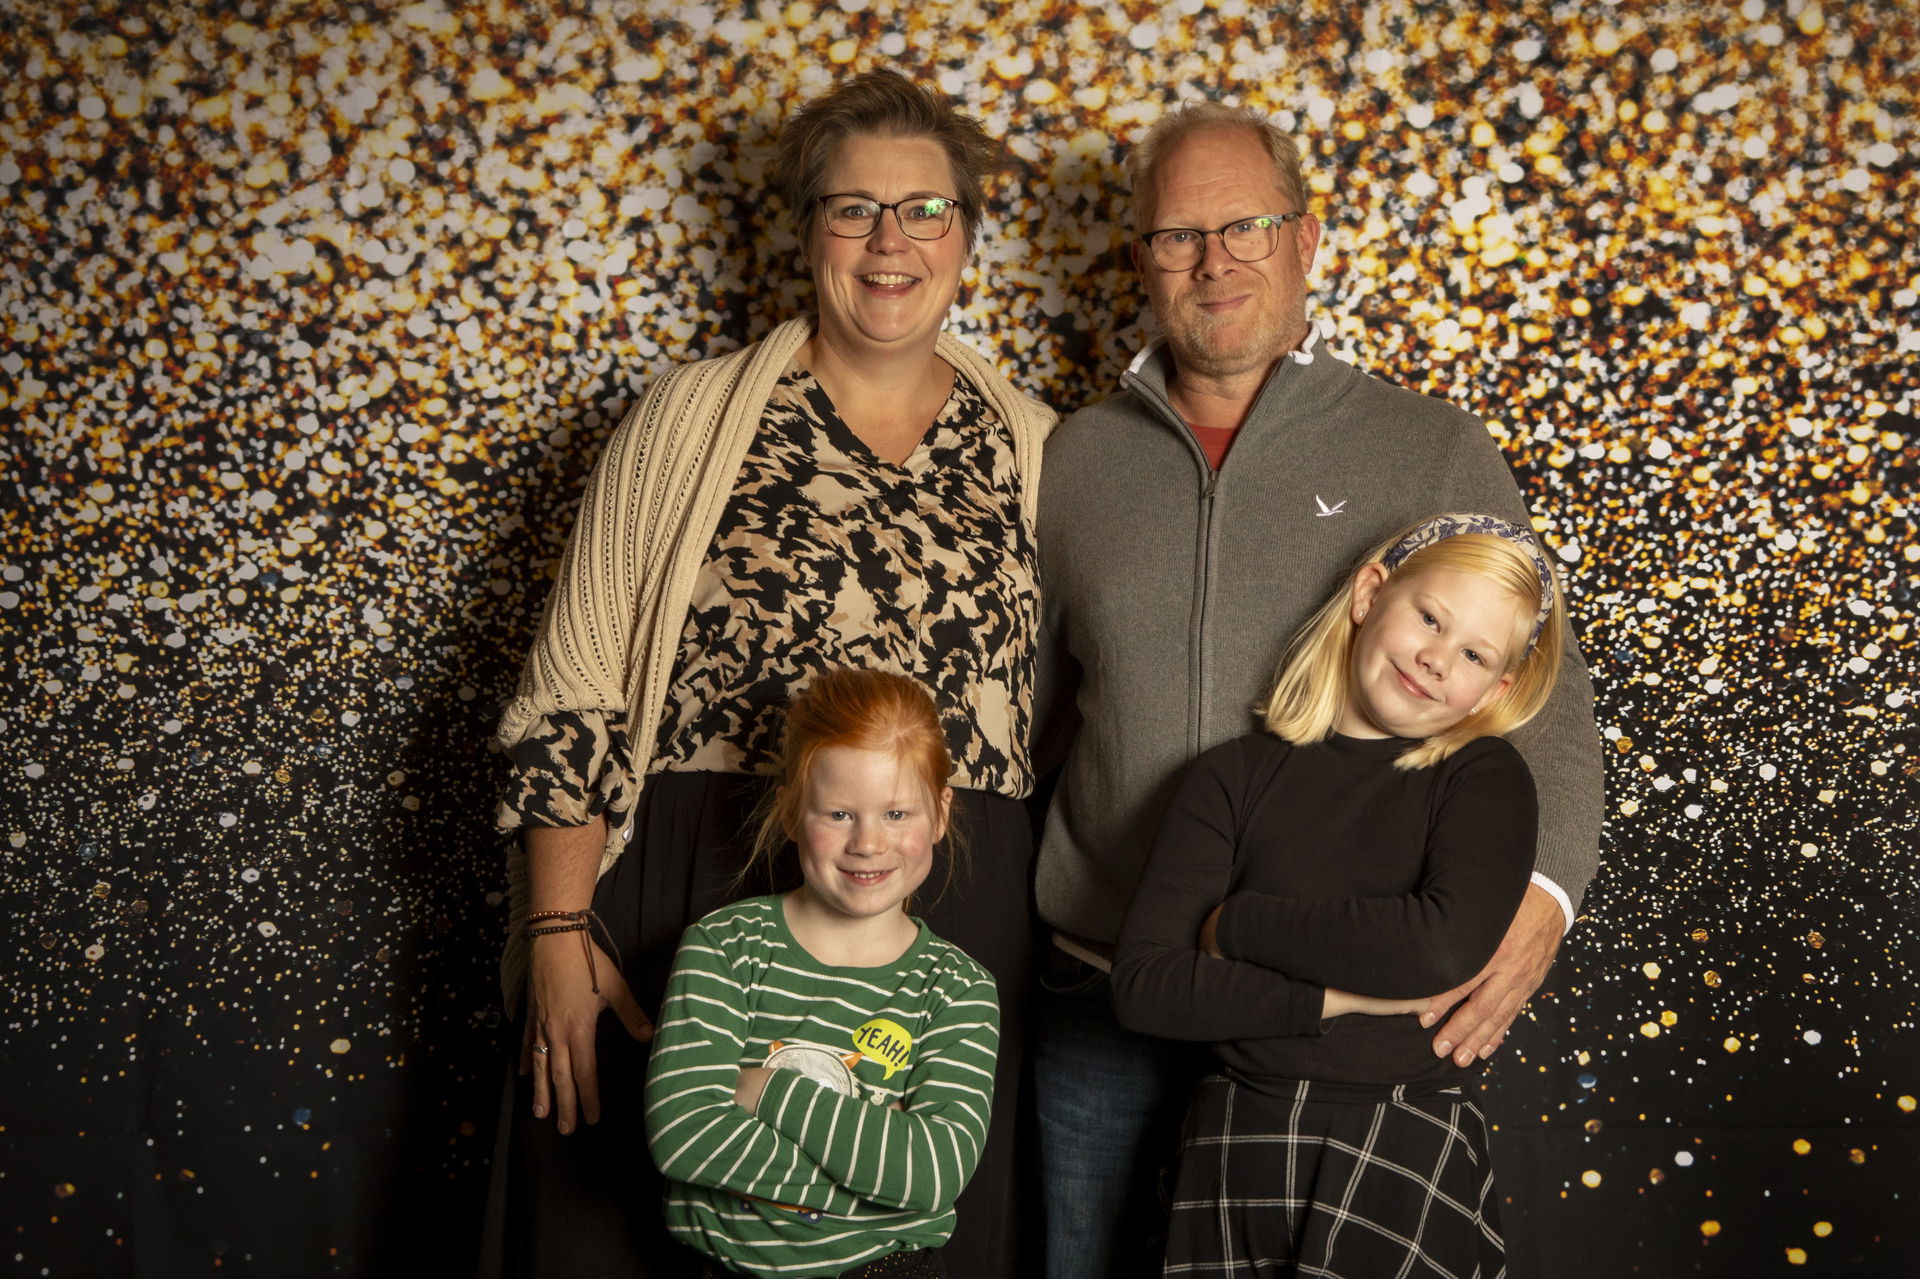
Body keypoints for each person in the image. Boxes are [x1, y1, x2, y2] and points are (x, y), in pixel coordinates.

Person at [481, 69, 1052, 1279]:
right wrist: (554, 923)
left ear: (967, 237)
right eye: (853, 209)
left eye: (925, 210)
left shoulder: (1039, 443)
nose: (890, 241)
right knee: (642, 1219)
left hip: (952, 895)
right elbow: (572, 687)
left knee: (906, 1234)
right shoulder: (689, 417)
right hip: (697, 879)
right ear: (806, 233)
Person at [1031, 101, 1604, 1277]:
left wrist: (1539, 901)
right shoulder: (1070, 459)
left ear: (1307, 238)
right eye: (1177, 235)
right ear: (1141, 258)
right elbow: (1023, 716)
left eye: (1245, 224)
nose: (1214, 260)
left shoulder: (1429, 448)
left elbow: (1550, 703)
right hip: (1107, 992)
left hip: (1336, 1025)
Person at [1109, 514, 1565, 1276]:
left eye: (1474, 653)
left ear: (1498, 685)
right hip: (1237, 1134)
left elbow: (1439, 947)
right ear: (1369, 592)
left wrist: (1236, 924)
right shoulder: (1232, 776)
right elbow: (1148, 985)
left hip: (1401, 1136)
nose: (1435, 658)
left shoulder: (1482, 779)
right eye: (1429, 617)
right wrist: (1343, 996)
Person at [646, 667, 998, 1278]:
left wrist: (763, 1091)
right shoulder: (725, 948)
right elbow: (684, 1131)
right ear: (790, 810)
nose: (867, 842)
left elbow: (933, 1173)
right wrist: (881, 1179)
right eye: (838, 813)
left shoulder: (958, 988)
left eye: (896, 813)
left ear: (939, 814)